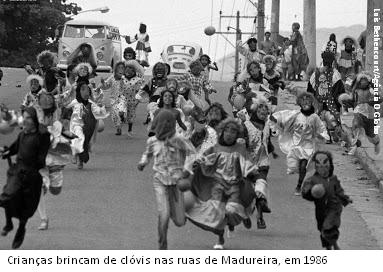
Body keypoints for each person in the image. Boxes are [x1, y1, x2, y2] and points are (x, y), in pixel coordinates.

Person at [137, 110, 196, 250]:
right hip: (160, 181)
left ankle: (177, 211)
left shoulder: (179, 139)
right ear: (156, 124)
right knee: (163, 215)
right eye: (161, 123)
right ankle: (162, 245)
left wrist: (186, 170)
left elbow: (192, 153)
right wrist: (143, 163)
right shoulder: (152, 141)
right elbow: (148, 154)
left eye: (167, 123)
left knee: (180, 221)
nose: (164, 126)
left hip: (177, 183)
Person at [0, 107, 50, 249]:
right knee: (6, 196)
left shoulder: (41, 136)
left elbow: (41, 159)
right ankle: (9, 223)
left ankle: (21, 229)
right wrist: (6, 152)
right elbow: (14, 148)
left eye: (29, 118)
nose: (26, 120)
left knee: (26, 206)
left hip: (31, 176)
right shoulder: (22, 134)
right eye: (25, 117)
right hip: (18, 173)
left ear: (34, 120)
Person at [270, 92, 330, 195]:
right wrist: (275, 120)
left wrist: (321, 136)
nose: (306, 104)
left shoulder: (315, 117)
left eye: (308, 102)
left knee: (303, 165)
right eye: (303, 102)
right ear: (300, 104)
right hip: (296, 145)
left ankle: (299, 186)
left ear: (312, 103)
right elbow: (284, 121)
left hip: (308, 146)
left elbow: (322, 129)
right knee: (295, 166)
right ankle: (307, 180)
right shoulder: (296, 115)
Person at [302, 151, 353, 250]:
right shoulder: (313, 180)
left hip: (334, 207)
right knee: (322, 228)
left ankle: (335, 245)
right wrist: (311, 192)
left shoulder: (333, 179)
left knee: (329, 226)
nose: (322, 168)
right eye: (319, 164)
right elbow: (305, 193)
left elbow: (339, 191)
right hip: (320, 208)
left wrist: (346, 199)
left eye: (325, 164)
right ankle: (328, 247)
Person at [242, 97, 275, 229]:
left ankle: (260, 216)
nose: (263, 115)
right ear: (255, 111)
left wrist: (272, 150)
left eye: (265, 113)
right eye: (260, 112)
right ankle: (245, 213)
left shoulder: (267, 125)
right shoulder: (245, 126)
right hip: (247, 162)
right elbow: (241, 141)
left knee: (260, 186)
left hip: (262, 161)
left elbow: (267, 140)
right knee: (248, 193)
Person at [67, 82, 109, 169]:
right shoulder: (74, 102)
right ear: (79, 92)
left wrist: (101, 109)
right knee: (79, 138)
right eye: (83, 90)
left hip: (87, 126)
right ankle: (74, 153)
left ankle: (80, 160)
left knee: (84, 144)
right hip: (76, 125)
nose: (85, 93)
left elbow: (98, 112)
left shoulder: (91, 103)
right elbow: (66, 108)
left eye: (87, 91)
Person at [307, 51, 345, 144]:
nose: (327, 62)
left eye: (328, 60)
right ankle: (329, 135)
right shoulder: (319, 73)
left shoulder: (332, 74)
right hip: (324, 101)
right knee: (326, 118)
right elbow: (311, 88)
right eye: (326, 60)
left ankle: (331, 135)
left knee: (328, 118)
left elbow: (310, 89)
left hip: (324, 101)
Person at [340, 71, 381, 155]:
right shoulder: (356, 90)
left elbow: (380, 98)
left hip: (370, 115)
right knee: (356, 125)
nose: (363, 82)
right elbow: (352, 101)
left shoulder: (372, 89)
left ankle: (377, 143)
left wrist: (373, 101)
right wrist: (346, 103)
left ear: (368, 81)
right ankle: (354, 146)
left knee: (371, 136)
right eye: (362, 80)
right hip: (359, 112)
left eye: (365, 80)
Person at [100, 61, 127, 135]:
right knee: (115, 115)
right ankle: (118, 128)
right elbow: (106, 86)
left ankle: (122, 115)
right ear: (116, 70)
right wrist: (103, 83)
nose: (121, 70)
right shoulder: (112, 78)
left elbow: (130, 86)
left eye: (122, 68)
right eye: (119, 68)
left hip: (123, 98)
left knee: (121, 110)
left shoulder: (125, 78)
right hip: (113, 99)